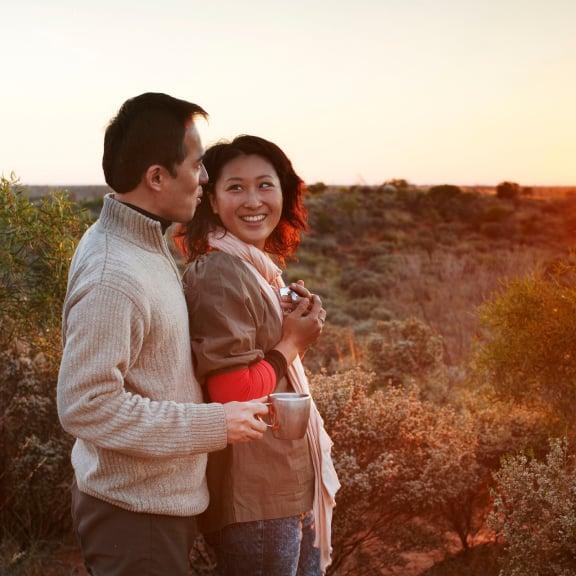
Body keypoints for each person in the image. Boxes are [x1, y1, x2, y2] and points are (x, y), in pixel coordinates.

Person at [57, 93, 273, 576]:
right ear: (156, 177)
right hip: (135, 515)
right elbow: (85, 404)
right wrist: (216, 424)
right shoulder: (114, 273)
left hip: (153, 505)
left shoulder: (141, 240)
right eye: (196, 165)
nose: (204, 178)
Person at [176, 135, 340, 576]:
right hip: (257, 498)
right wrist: (292, 343)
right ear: (210, 198)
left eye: (265, 185)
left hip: (282, 487)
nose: (253, 200)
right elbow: (231, 390)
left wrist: (291, 316)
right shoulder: (221, 272)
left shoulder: (253, 269)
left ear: (285, 193)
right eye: (235, 187)